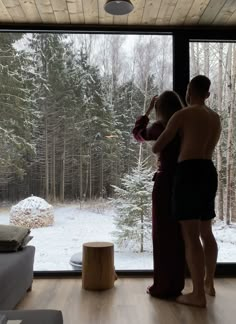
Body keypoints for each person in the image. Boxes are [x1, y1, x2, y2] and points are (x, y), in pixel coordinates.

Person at [152, 75, 221, 307]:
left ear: (189, 91)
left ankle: (198, 295)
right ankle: (209, 282)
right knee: (206, 232)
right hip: (208, 170)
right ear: (208, 94)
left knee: (190, 236)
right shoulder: (215, 118)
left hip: (188, 172)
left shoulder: (183, 114)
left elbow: (157, 146)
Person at [132, 91, 185, 298]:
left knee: (162, 234)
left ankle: (162, 286)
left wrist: (146, 112)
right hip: (183, 181)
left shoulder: (160, 127)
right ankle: (176, 284)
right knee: (179, 235)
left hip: (164, 183)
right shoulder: (183, 125)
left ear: (159, 109)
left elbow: (138, 134)